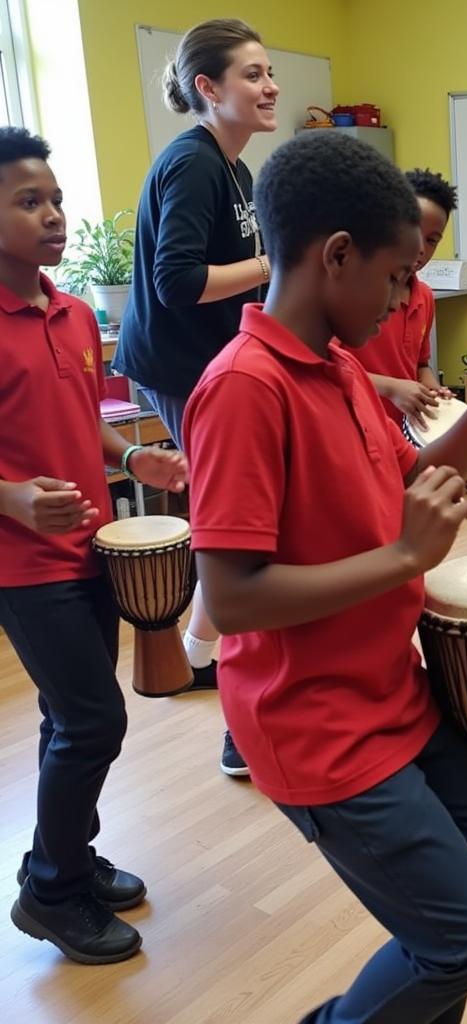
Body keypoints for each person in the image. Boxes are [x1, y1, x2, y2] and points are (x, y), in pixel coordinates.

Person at [182, 130, 467, 1024]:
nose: (407, 296)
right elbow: (234, 594)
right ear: (338, 256)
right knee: (465, 939)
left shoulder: (341, 369)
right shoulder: (244, 388)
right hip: (312, 722)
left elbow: (415, 473)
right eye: (400, 276)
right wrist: (404, 557)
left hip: (388, 688)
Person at [0, 127, 187, 963]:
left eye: (56, 198)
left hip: (92, 549)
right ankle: (50, 894)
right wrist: (9, 497)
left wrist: (131, 454)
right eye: (27, 202)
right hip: (22, 564)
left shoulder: (73, 310)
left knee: (65, 719)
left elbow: (84, 422)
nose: (53, 215)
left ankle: (63, 856)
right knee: (92, 720)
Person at [113, 18, 279, 777]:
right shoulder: (194, 163)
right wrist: (279, 263)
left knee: (237, 517)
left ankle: (197, 655)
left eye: (270, 71)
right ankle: (234, 714)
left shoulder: (237, 168)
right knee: (238, 528)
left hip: (208, 365)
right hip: (179, 367)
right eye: (252, 74)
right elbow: (176, 282)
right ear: (208, 89)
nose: (270, 85)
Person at [356, 168, 457, 428]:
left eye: (432, 240)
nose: (421, 248)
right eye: (414, 231)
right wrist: (392, 388)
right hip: (358, 426)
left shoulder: (424, 296)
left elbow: (420, 365)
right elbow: (326, 371)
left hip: (404, 432)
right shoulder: (353, 294)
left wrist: (433, 389)